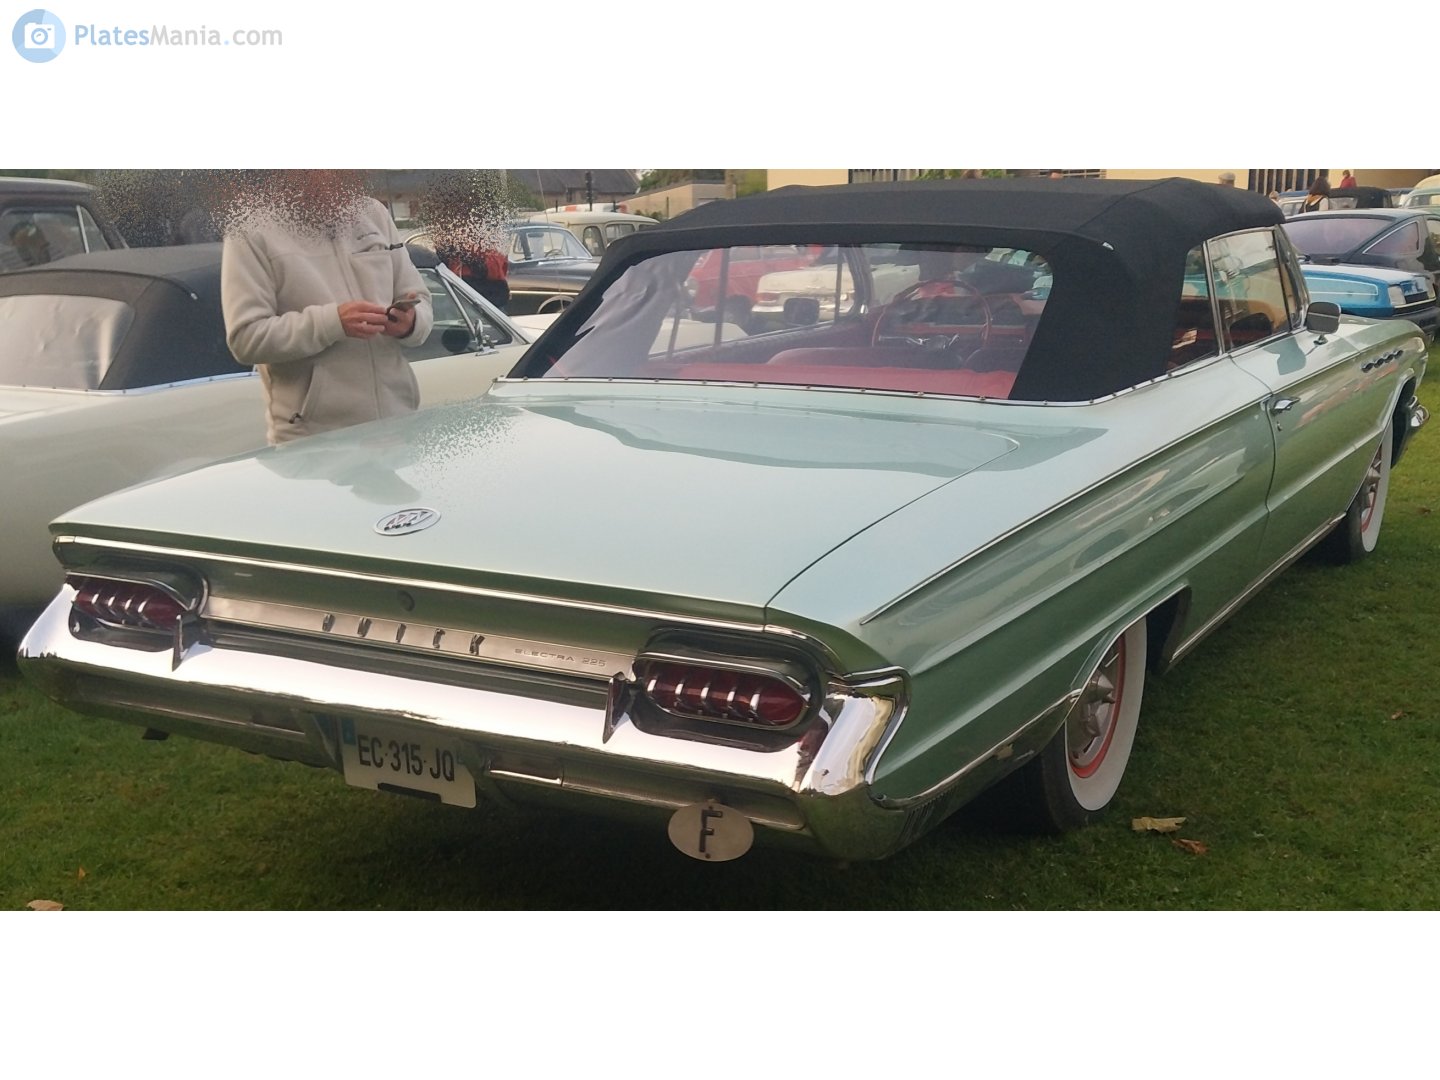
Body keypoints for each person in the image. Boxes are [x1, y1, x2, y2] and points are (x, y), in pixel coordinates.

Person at [220, 170, 434, 446]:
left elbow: (421, 300)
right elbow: (246, 338)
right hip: (315, 443)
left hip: (398, 428)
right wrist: (332, 323)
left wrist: (411, 322)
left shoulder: (375, 214)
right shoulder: (249, 230)